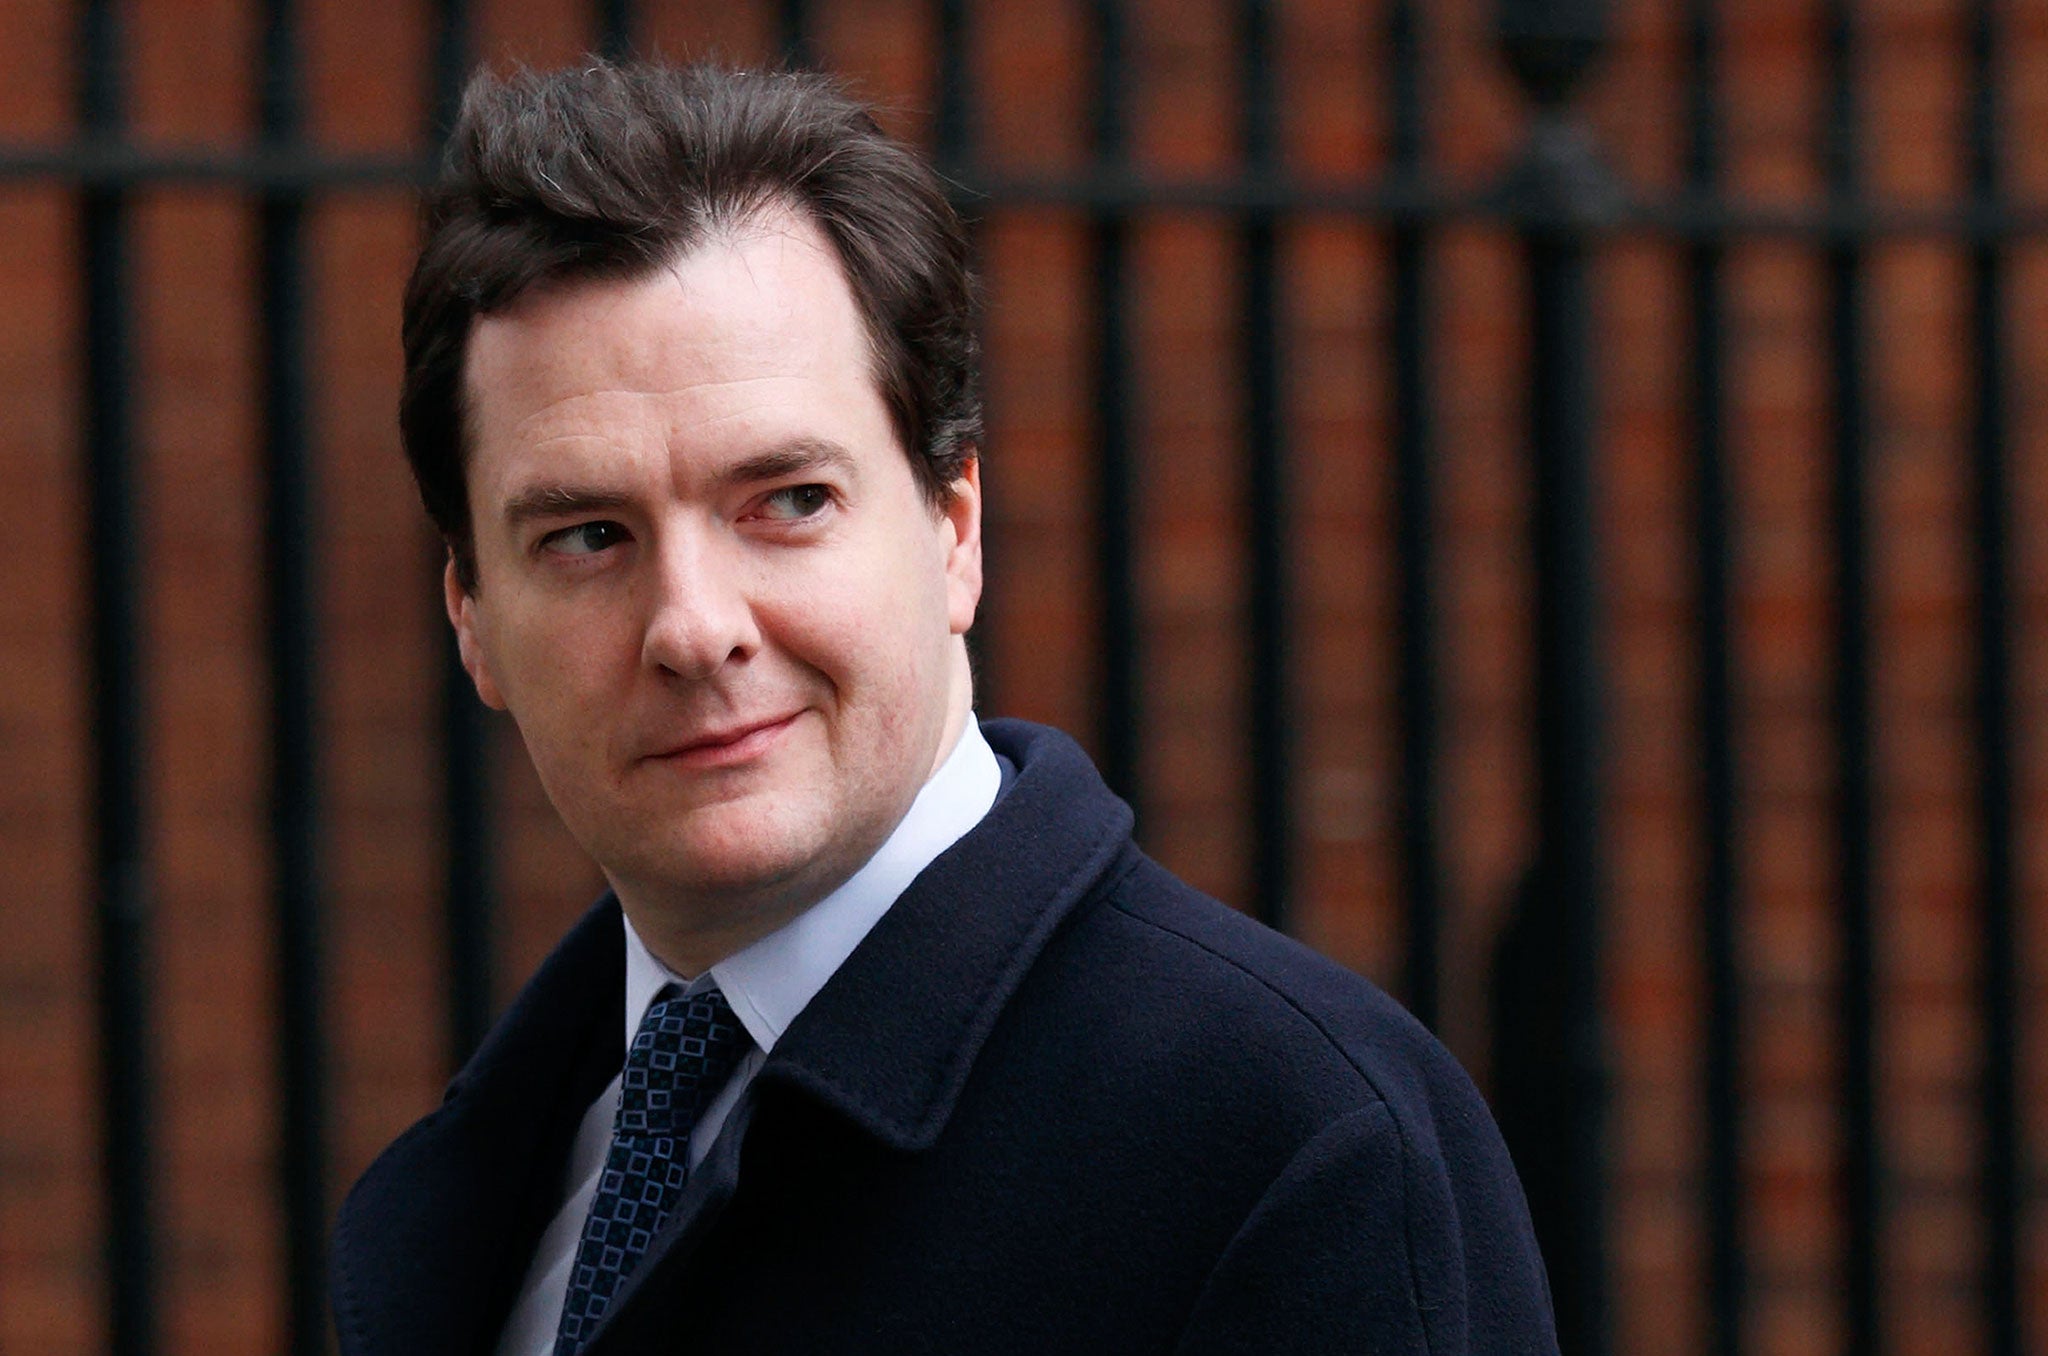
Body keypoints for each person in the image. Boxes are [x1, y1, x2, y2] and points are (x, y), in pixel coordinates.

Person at [330, 59, 1557, 1356]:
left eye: (788, 502)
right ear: (469, 612)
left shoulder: (1292, 1140)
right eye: (586, 535)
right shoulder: (492, 1186)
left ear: (953, 526)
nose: (693, 626)